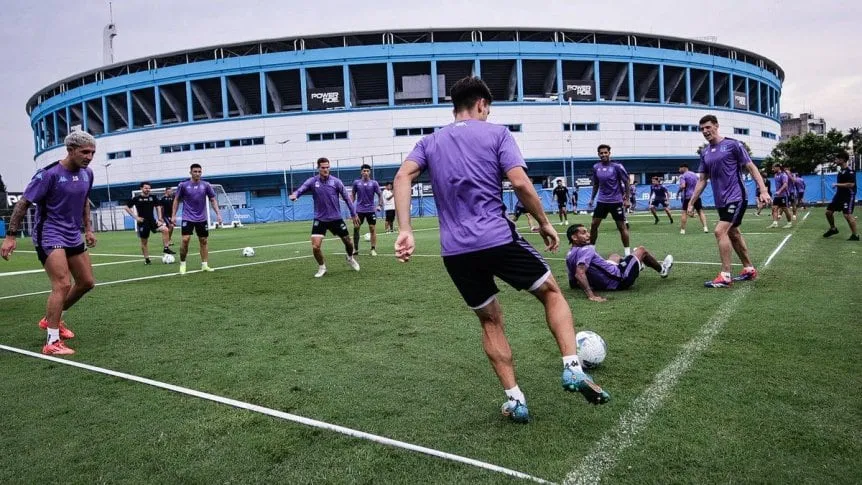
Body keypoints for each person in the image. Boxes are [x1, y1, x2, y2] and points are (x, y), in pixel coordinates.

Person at [393, 76, 609, 424]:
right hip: (497, 239)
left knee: (490, 321)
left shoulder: (429, 142)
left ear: (454, 107)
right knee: (552, 293)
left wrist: (405, 229)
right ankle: (572, 366)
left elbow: (402, 177)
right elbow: (520, 182)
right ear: (481, 104)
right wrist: (544, 222)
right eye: (488, 109)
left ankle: (515, 399)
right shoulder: (497, 133)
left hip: (456, 252)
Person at [0, 131, 98, 355]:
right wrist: (11, 236)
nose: (89, 157)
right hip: (50, 233)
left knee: (86, 282)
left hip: (73, 234)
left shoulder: (88, 174)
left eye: (92, 152)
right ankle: (52, 342)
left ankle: (49, 319)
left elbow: (84, 202)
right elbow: (23, 204)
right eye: (84, 152)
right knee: (63, 284)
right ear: (71, 150)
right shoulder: (48, 174)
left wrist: (89, 229)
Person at [687, 115, 770, 288]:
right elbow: (702, 180)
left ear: (716, 126)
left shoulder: (733, 145)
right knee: (733, 233)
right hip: (721, 200)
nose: (705, 131)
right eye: (702, 129)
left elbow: (751, 167)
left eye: (708, 127)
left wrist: (763, 189)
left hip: (736, 196)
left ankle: (725, 275)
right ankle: (748, 268)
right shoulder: (705, 153)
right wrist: (691, 202)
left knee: (719, 231)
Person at [290, 157, 361, 277]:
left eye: (327, 167)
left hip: (336, 218)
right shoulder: (312, 181)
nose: (326, 169)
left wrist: (353, 214)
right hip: (320, 219)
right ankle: (322, 267)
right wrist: (296, 194)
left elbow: (347, 199)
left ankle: (350, 258)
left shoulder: (336, 182)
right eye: (323, 168)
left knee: (348, 243)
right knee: (315, 247)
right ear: (318, 168)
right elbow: (301, 189)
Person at [565, 224, 673, 301]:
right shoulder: (587, 249)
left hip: (604, 281)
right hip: (620, 279)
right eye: (584, 233)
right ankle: (663, 270)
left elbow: (572, 281)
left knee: (614, 256)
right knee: (641, 250)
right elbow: (579, 273)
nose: (588, 235)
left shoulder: (570, 254)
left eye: (587, 232)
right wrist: (591, 295)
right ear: (574, 237)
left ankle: (636, 264)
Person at [171, 163, 222, 275]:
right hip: (187, 217)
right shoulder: (183, 185)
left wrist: (218, 214)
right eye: (195, 171)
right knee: (185, 240)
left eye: (199, 171)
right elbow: (176, 200)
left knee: (203, 240)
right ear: (190, 172)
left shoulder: (206, 185)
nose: (197, 173)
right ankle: (183, 264)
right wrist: (173, 215)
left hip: (201, 218)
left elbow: (212, 199)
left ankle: (204, 265)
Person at [587, 144, 632, 255]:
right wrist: (592, 198)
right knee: (593, 225)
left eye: (605, 152)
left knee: (621, 227)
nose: (603, 154)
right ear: (598, 154)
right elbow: (596, 184)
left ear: (609, 153)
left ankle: (627, 253)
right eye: (601, 153)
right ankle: (591, 251)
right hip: (602, 201)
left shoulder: (617, 167)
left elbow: (626, 181)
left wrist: (627, 199)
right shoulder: (596, 167)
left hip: (616, 201)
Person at [124, 182, 175, 265]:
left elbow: (158, 206)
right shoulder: (137, 198)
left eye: (149, 188)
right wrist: (136, 217)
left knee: (165, 229)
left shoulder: (153, 197)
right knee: (144, 242)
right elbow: (126, 207)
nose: (147, 190)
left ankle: (166, 248)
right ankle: (147, 260)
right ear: (141, 188)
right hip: (143, 222)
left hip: (152, 221)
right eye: (145, 188)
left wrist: (159, 218)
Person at [823, 152, 858, 241]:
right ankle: (833, 229)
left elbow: (851, 184)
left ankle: (855, 235)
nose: (835, 160)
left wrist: (837, 184)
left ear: (842, 160)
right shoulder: (841, 171)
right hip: (839, 195)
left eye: (837, 159)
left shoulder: (849, 171)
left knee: (847, 215)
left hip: (848, 196)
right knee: (828, 212)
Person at [351, 164, 383, 256]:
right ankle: (356, 249)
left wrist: (379, 205)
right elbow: (353, 194)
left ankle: (373, 249)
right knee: (356, 228)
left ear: (370, 172)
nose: (365, 172)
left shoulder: (374, 183)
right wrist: (351, 205)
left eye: (367, 171)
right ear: (361, 172)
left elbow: (380, 194)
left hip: (370, 210)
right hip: (359, 210)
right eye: (364, 171)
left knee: (372, 228)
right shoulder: (356, 183)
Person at [678, 164, 708, 234]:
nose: (679, 170)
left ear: (684, 168)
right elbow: (701, 183)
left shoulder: (683, 176)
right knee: (700, 211)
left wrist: (678, 191)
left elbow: (683, 186)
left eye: (680, 168)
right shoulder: (695, 175)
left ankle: (682, 230)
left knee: (684, 212)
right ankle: (705, 227)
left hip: (688, 196)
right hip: (696, 196)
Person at [769, 164, 793, 229]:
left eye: (773, 168)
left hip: (783, 195)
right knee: (774, 208)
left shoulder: (784, 175)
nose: (772, 169)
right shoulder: (775, 175)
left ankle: (789, 223)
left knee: (785, 209)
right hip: (777, 196)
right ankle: (775, 223)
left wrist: (779, 191)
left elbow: (785, 184)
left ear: (778, 167)